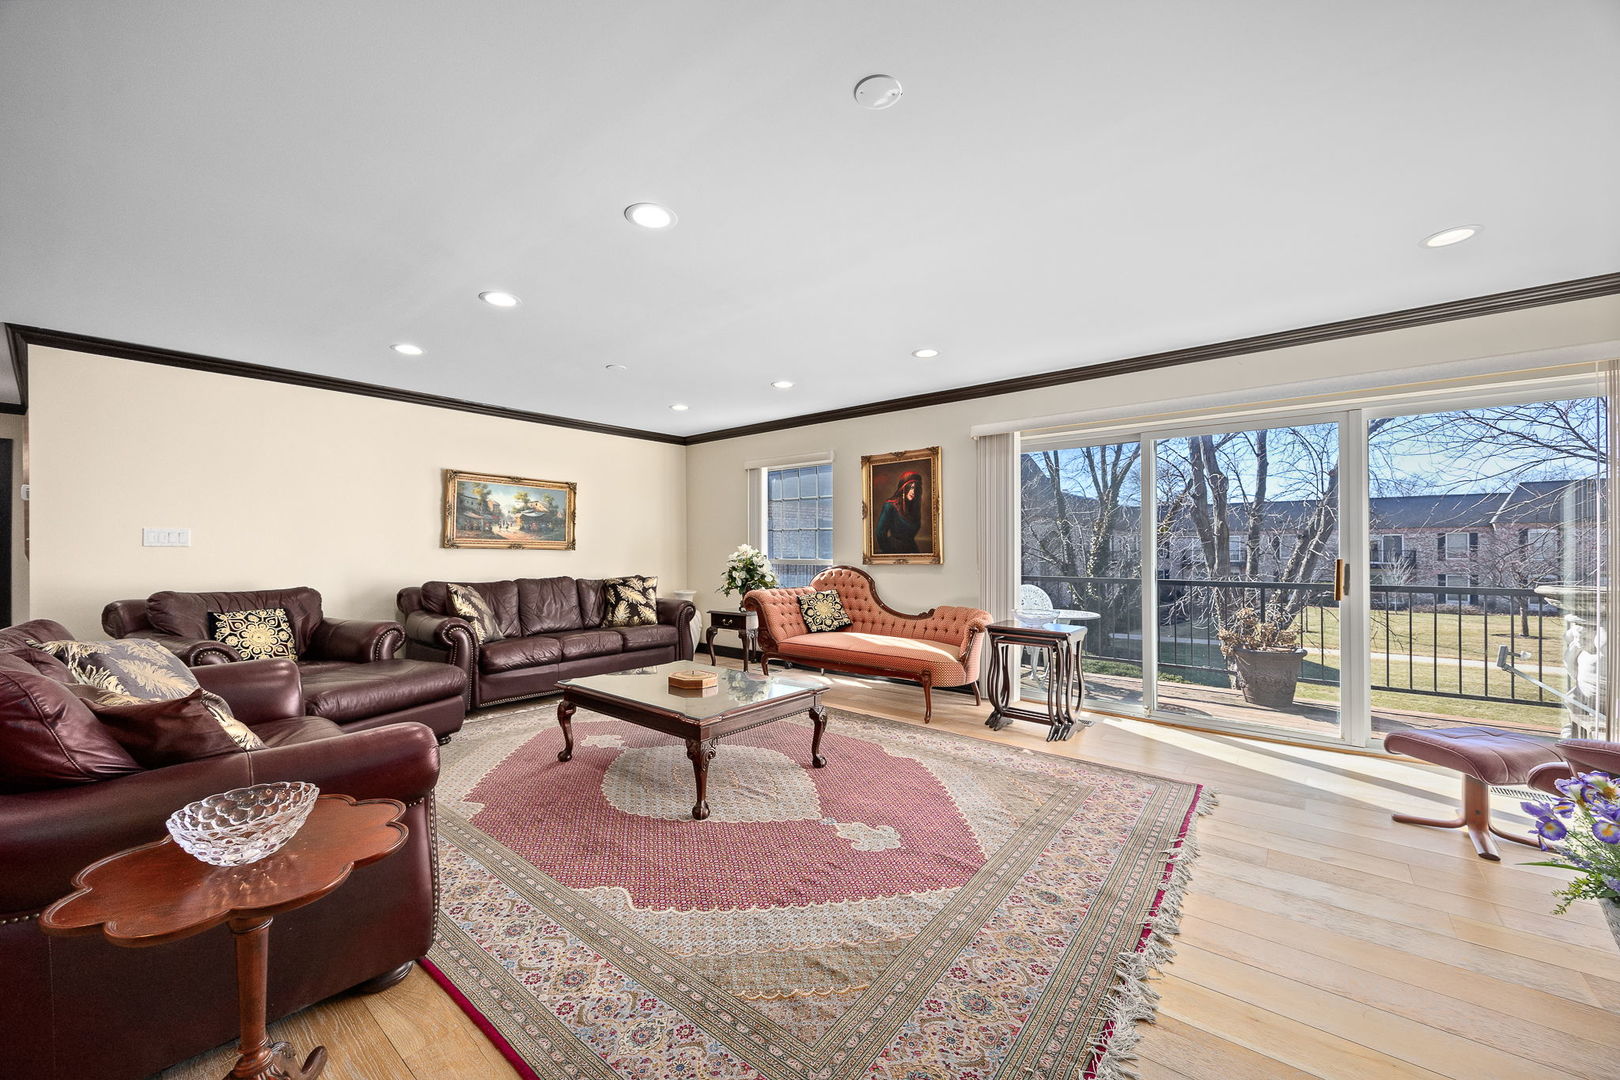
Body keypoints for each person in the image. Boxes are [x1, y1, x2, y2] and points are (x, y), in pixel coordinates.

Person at [875, 470, 925, 554]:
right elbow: (880, 533)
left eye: (916, 488)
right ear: (904, 488)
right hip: (893, 550)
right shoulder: (890, 506)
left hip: (912, 551)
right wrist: (888, 551)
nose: (913, 492)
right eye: (911, 487)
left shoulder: (914, 507)